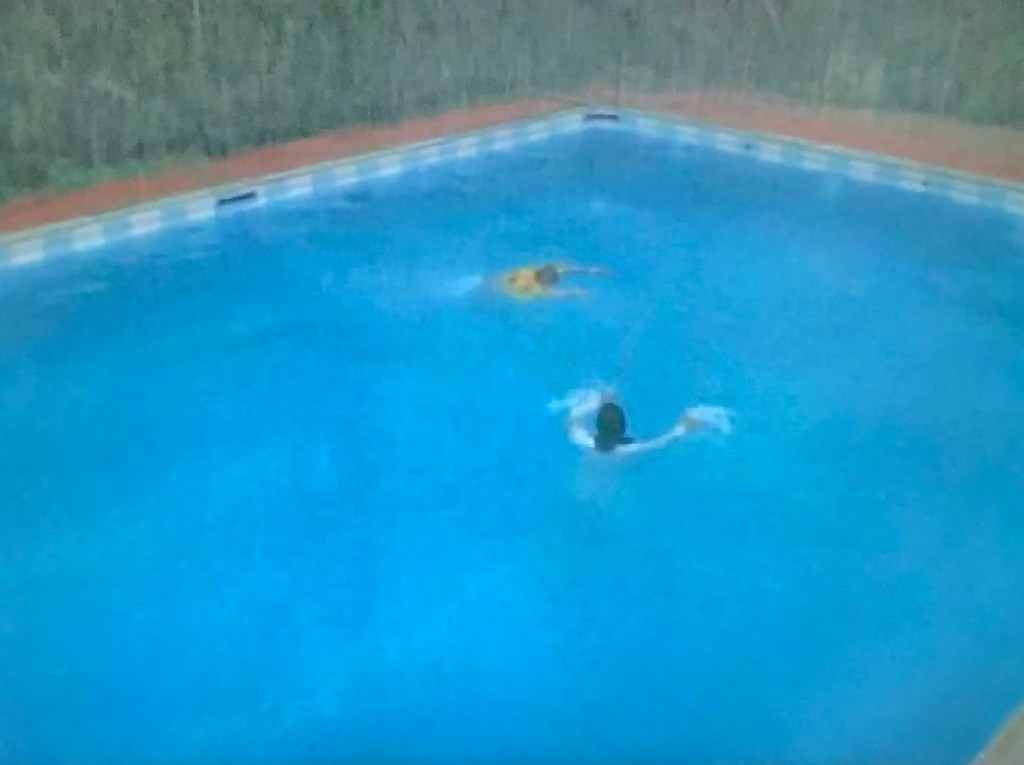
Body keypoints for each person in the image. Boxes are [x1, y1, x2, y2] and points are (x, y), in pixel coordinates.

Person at [553, 388, 732, 455]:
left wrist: (596, 401)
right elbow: (663, 440)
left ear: (597, 426)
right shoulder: (627, 450)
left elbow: (572, 419)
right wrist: (685, 425)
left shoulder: (581, 439)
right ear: (623, 428)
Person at [497, 262, 609, 300]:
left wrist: (589, 271)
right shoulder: (537, 289)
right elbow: (555, 294)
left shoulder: (532, 271)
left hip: (505, 278)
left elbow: (566, 270)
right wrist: (574, 292)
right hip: (506, 289)